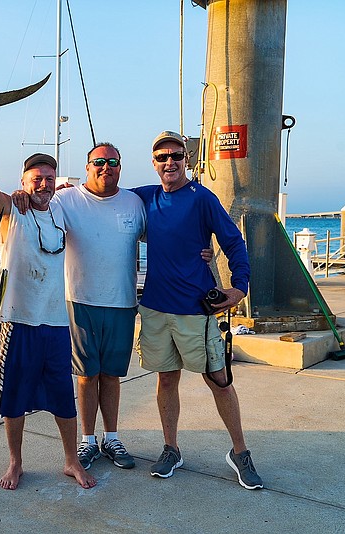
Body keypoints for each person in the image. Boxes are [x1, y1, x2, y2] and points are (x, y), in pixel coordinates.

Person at [132, 131, 263, 490]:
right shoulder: (144, 197)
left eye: (176, 155)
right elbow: (101, 200)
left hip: (195, 309)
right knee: (166, 378)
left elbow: (232, 241)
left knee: (219, 381)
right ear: (154, 162)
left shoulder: (202, 198)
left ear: (186, 159)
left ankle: (240, 452)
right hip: (156, 308)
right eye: (162, 157)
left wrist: (239, 287)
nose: (169, 162)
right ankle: (171, 448)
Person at [13, 143, 146, 472]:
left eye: (112, 162)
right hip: (79, 302)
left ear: (120, 166)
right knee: (86, 376)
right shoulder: (64, 199)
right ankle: (87, 440)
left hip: (123, 302)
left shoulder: (134, 203)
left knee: (112, 375)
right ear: (87, 167)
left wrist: (202, 255)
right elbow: (37, 207)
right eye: (98, 162)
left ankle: (111, 437)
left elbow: (167, 238)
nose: (106, 167)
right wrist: (20, 195)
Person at [0, 153, 96, 491]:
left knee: (64, 398)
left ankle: (71, 460)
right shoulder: (12, 212)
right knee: (15, 398)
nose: (43, 184)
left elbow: (87, 193)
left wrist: (64, 186)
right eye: (36, 178)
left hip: (55, 323)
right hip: (18, 322)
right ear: (23, 182)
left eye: (49, 178)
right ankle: (15, 462)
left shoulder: (61, 210)